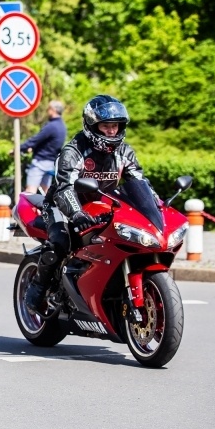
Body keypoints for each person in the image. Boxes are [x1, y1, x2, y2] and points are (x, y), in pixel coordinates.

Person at [24, 95, 145, 312]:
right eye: (106, 126)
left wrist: (155, 206)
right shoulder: (73, 151)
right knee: (60, 242)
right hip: (61, 206)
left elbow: (139, 182)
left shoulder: (124, 152)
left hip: (102, 207)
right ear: (92, 125)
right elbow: (63, 188)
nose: (112, 131)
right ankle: (37, 287)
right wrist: (77, 214)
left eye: (115, 126)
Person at [16, 100, 67, 194]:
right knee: (46, 192)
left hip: (41, 162)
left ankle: (28, 208)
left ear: (53, 110)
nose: (47, 111)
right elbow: (49, 143)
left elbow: (36, 139)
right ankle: (48, 208)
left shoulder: (51, 126)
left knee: (30, 192)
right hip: (51, 162)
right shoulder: (62, 126)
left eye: (48, 109)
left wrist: (19, 148)